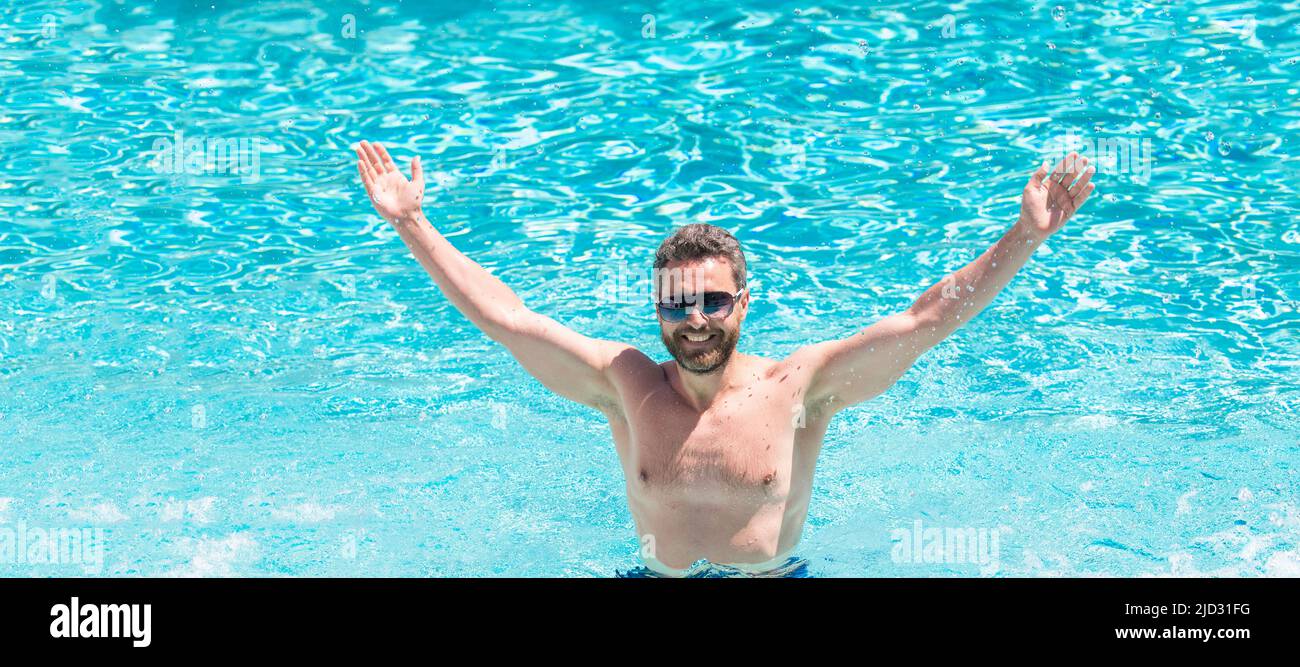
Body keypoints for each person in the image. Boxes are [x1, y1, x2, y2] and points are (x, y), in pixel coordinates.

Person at [354, 140, 1096, 576]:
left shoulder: (801, 386)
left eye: (712, 301)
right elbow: (508, 318)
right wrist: (412, 223)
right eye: (676, 304)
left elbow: (925, 318)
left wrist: (1025, 237)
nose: (695, 320)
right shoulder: (624, 384)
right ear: (657, 309)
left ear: (744, 302)